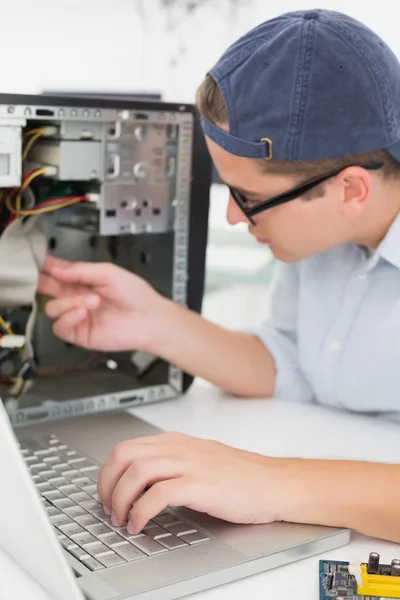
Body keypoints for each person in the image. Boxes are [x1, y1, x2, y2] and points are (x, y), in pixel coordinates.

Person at [38, 8, 400, 543]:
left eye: (248, 198)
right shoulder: (323, 242)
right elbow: (296, 367)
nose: (234, 216)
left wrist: (269, 482)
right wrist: (153, 323)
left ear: (350, 190)